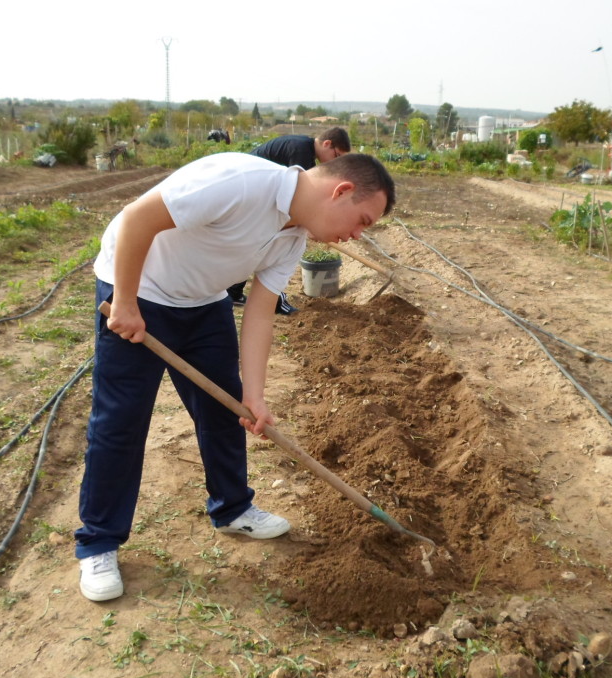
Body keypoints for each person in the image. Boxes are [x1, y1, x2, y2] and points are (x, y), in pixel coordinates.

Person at [74, 151, 395, 602]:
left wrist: (256, 397)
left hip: (204, 303)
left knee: (226, 408)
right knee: (120, 423)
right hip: (138, 290)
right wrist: (125, 301)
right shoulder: (240, 182)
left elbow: (261, 313)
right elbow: (136, 218)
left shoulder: (293, 238)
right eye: (362, 220)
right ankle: (98, 542)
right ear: (340, 191)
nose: (358, 235)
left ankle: (232, 508)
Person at [227, 127, 352, 314]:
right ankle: (276, 302)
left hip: (254, 195)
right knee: (274, 247)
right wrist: (312, 225)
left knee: (258, 246)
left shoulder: (304, 149)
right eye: (337, 155)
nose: (335, 162)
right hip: (249, 193)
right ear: (327, 144)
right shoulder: (300, 150)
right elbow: (302, 195)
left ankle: (233, 293)